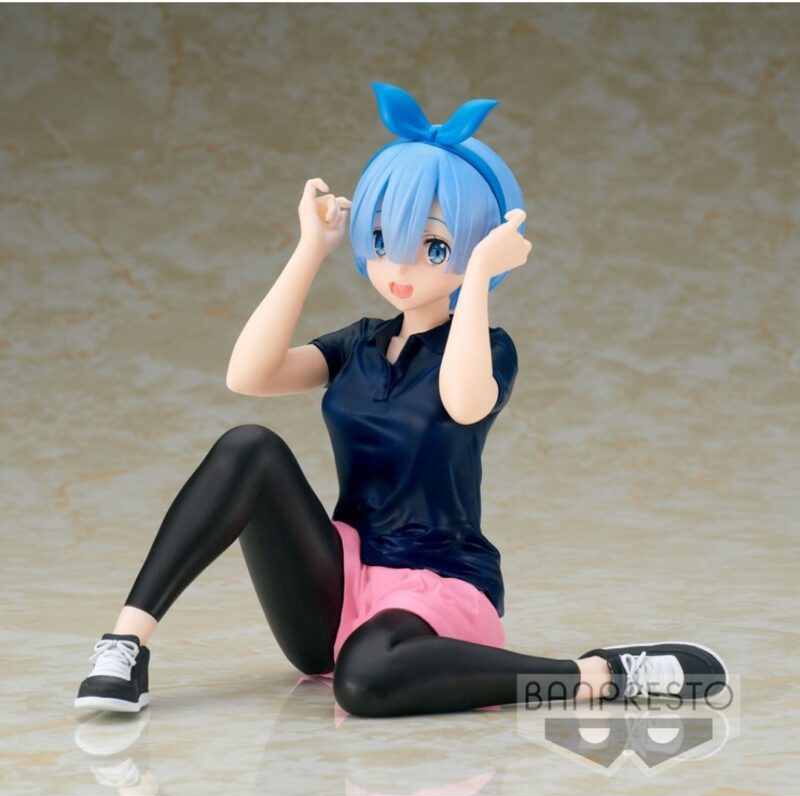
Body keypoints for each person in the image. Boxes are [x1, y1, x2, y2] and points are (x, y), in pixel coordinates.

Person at [75, 82, 727, 718]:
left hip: (438, 587)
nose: (401, 268)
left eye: (434, 246)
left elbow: (464, 403)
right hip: (340, 582)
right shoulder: (357, 344)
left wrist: (478, 275)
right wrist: (311, 250)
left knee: (363, 680)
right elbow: (249, 374)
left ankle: (597, 676)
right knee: (249, 446)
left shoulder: (488, 347)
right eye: (385, 240)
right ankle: (126, 645)